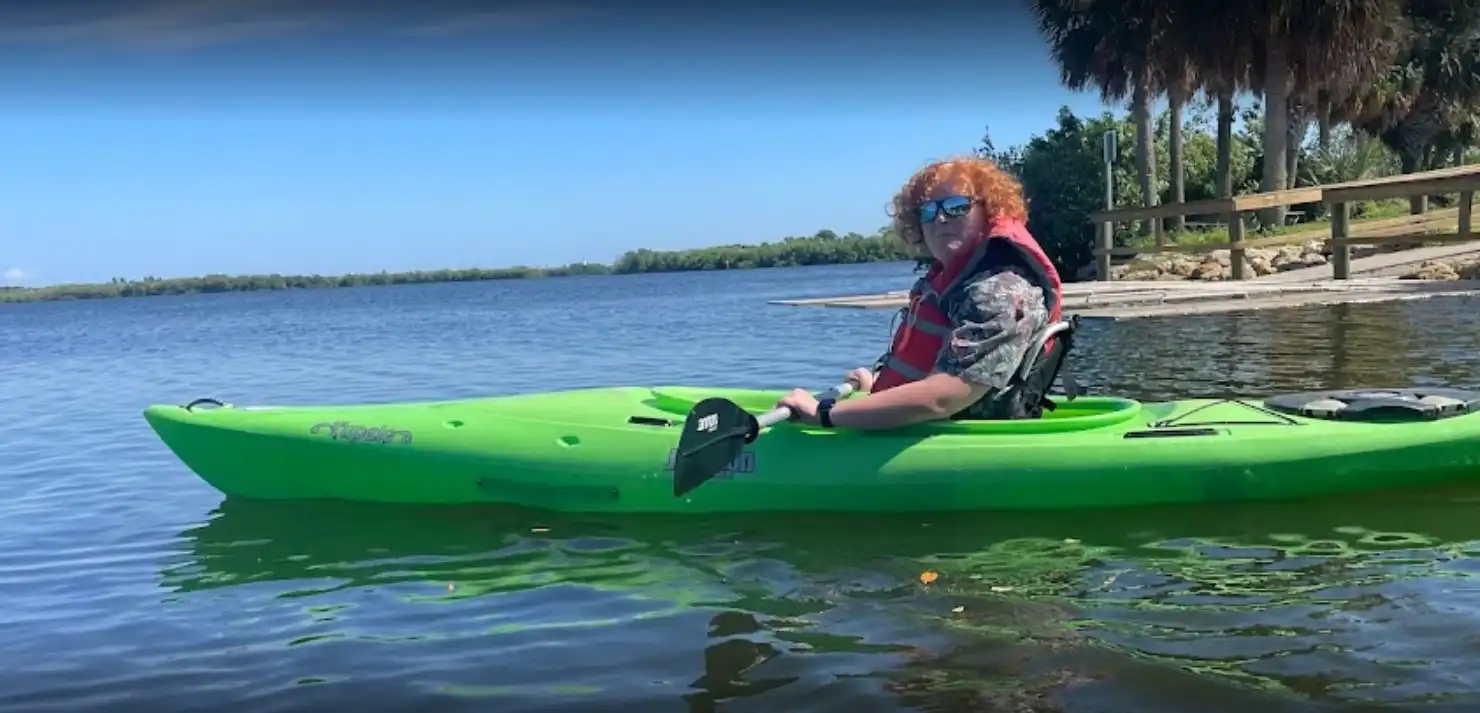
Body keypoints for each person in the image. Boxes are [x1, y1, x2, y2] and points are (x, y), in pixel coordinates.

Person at [773, 155, 1077, 430]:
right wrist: (875, 386)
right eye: (929, 211)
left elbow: (944, 396)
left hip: (961, 439)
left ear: (990, 211)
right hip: (930, 427)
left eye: (957, 207)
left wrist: (825, 414)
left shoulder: (999, 292)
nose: (940, 218)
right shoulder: (952, 284)